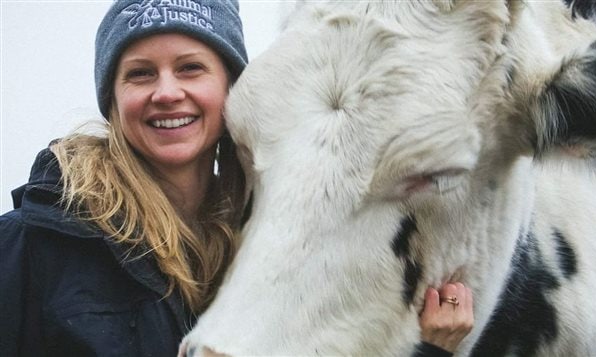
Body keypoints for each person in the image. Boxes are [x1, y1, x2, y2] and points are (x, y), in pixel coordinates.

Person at [0, 1, 472, 356]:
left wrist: (426, 350)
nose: (167, 92)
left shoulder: (274, 249)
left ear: (230, 88)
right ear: (113, 101)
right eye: (140, 74)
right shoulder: (28, 245)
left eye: (190, 68)